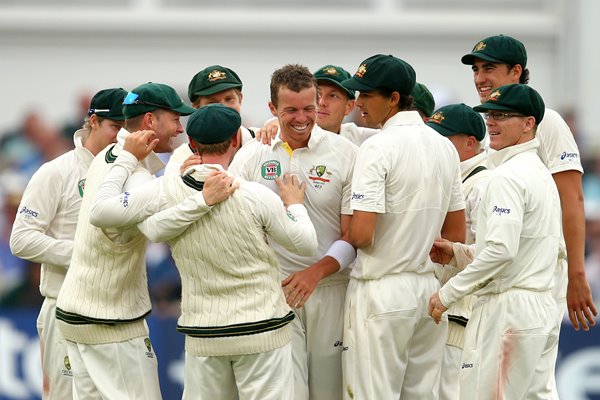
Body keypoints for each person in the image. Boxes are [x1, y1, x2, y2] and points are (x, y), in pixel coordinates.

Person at [90, 103, 319, 399]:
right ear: (236, 140)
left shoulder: (168, 191)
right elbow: (306, 244)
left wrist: (197, 202)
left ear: (193, 144)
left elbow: (146, 228)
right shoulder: (255, 195)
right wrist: (295, 204)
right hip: (263, 330)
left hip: (204, 333)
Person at [54, 82, 233, 399]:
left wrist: (176, 178)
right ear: (150, 121)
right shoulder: (133, 170)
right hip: (109, 322)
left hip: (82, 313)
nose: (180, 129)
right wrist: (200, 198)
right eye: (175, 119)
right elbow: (131, 220)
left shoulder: (111, 154)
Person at [229, 64, 358, 400]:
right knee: (286, 393)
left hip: (332, 290)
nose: (302, 118)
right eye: (290, 111)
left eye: (308, 108)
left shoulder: (345, 153)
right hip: (275, 295)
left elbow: (353, 236)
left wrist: (314, 274)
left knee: (330, 392)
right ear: (272, 109)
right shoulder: (252, 155)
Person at [341, 54, 466, 399]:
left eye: (367, 95)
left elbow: (362, 236)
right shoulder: (444, 147)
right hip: (428, 290)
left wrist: (342, 219)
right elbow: (456, 236)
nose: (359, 103)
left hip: (382, 289)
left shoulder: (377, 147)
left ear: (394, 98)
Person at [429, 84, 562, 399]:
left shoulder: (507, 177)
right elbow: (518, 248)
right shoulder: (540, 173)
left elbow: (501, 251)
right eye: (490, 114)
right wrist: (459, 253)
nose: (492, 122)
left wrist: (448, 293)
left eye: (503, 116)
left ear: (529, 123)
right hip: (539, 306)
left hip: (508, 310)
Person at [461, 33, 596, 332]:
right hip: (496, 273)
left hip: (536, 277)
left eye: (489, 68)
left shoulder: (545, 119)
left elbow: (572, 200)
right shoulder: (487, 122)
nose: (480, 78)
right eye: (476, 69)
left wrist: (576, 274)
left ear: (516, 72)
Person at [9, 88, 127, 399]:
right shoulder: (56, 171)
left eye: (127, 128)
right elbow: (21, 239)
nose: (121, 137)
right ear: (93, 121)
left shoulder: (130, 172)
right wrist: (81, 253)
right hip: (64, 305)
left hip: (118, 313)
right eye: (115, 127)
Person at [425, 103, 489, 400]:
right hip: (439, 310)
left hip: (463, 315)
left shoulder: (483, 184)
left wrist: (455, 252)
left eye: (444, 138)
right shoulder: (447, 178)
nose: (435, 146)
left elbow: (495, 253)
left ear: (470, 143)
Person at [164, 64, 255, 176]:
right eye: (212, 103)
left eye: (229, 99)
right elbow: (169, 191)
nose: (222, 108)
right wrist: (184, 181)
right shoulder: (183, 156)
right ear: (196, 107)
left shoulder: (264, 140)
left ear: (240, 99)